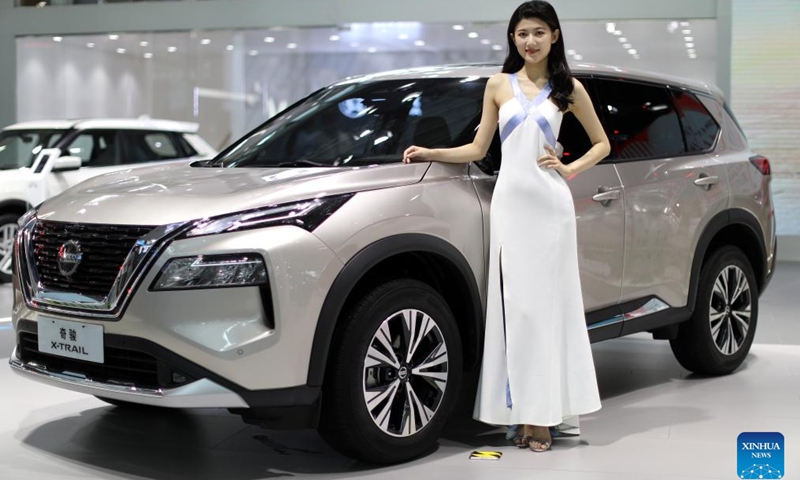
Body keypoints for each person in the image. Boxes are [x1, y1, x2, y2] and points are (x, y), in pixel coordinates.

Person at [403, 0, 610, 453]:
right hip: (511, 208)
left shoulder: (568, 88)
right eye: (521, 33)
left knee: (546, 311)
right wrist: (431, 152)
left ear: (554, 36)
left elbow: (602, 143)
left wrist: (570, 168)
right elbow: (479, 148)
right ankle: (523, 411)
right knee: (516, 312)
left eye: (538, 32)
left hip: (550, 209)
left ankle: (541, 418)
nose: (530, 41)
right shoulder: (498, 85)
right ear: (512, 39)